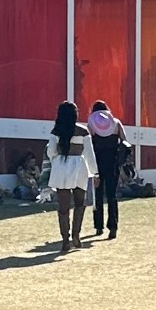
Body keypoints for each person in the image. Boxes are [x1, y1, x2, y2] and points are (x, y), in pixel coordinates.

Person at [46, 103, 98, 251]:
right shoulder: (83, 131)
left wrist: (56, 160)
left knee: (63, 206)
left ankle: (65, 239)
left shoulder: (56, 130)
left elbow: (51, 151)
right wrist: (95, 172)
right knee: (79, 203)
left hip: (61, 166)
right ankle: (76, 234)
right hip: (79, 167)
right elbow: (89, 153)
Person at [86, 101, 128, 238]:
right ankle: (113, 226)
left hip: (96, 163)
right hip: (112, 162)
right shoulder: (116, 123)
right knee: (112, 195)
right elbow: (125, 141)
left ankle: (98, 226)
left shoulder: (91, 125)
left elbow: (88, 145)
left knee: (97, 195)